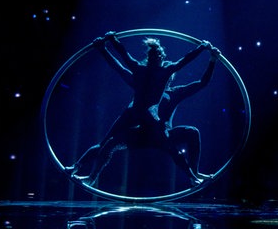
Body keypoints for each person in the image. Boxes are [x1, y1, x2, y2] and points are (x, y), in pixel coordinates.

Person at [66, 31, 219, 187]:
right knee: (108, 143)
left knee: (190, 132)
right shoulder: (141, 78)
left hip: (160, 132)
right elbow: (120, 65)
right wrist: (105, 47)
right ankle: (84, 172)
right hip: (141, 132)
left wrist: (211, 59)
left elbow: (201, 81)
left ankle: (193, 175)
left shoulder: (174, 91)